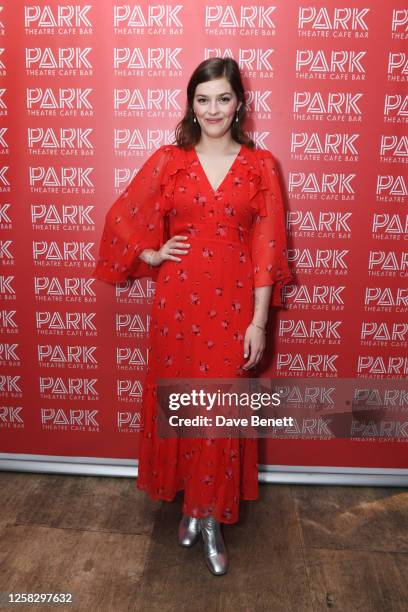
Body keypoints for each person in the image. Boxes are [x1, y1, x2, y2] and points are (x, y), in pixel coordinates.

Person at [92, 57, 293, 576]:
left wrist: (258, 322)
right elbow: (121, 216)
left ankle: (210, 518)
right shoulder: (170, 160)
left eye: (223, 98)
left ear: (239, 104)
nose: (213, 109)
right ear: (191, 104)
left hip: (232, 308)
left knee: (219, 416)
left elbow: (268, 250)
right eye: (203, 99)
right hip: (177, 305)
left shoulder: (260, 165)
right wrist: (151, 252)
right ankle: (192, 506)